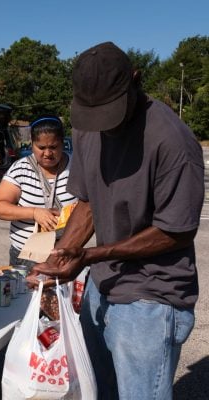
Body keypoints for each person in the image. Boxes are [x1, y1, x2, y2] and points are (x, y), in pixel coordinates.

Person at [29, 42, 204, 399]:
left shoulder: (172, 141)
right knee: (98, 390)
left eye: (111, 113)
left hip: (153, 296)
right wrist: (61, 254)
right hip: (103, 283)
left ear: (136, 81)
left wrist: (92, 256)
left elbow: (178, 231)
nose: (103, 127)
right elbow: (89, 201)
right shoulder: (87, 126)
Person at [0, 115, 76, 268]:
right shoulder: (21, 169)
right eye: (41, 147)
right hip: (26, 257)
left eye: (53, 147)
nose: (47, 153)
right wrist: (34, 212)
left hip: (66, 255)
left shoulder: (78, 167)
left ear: (63, 143)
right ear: (32, 144)